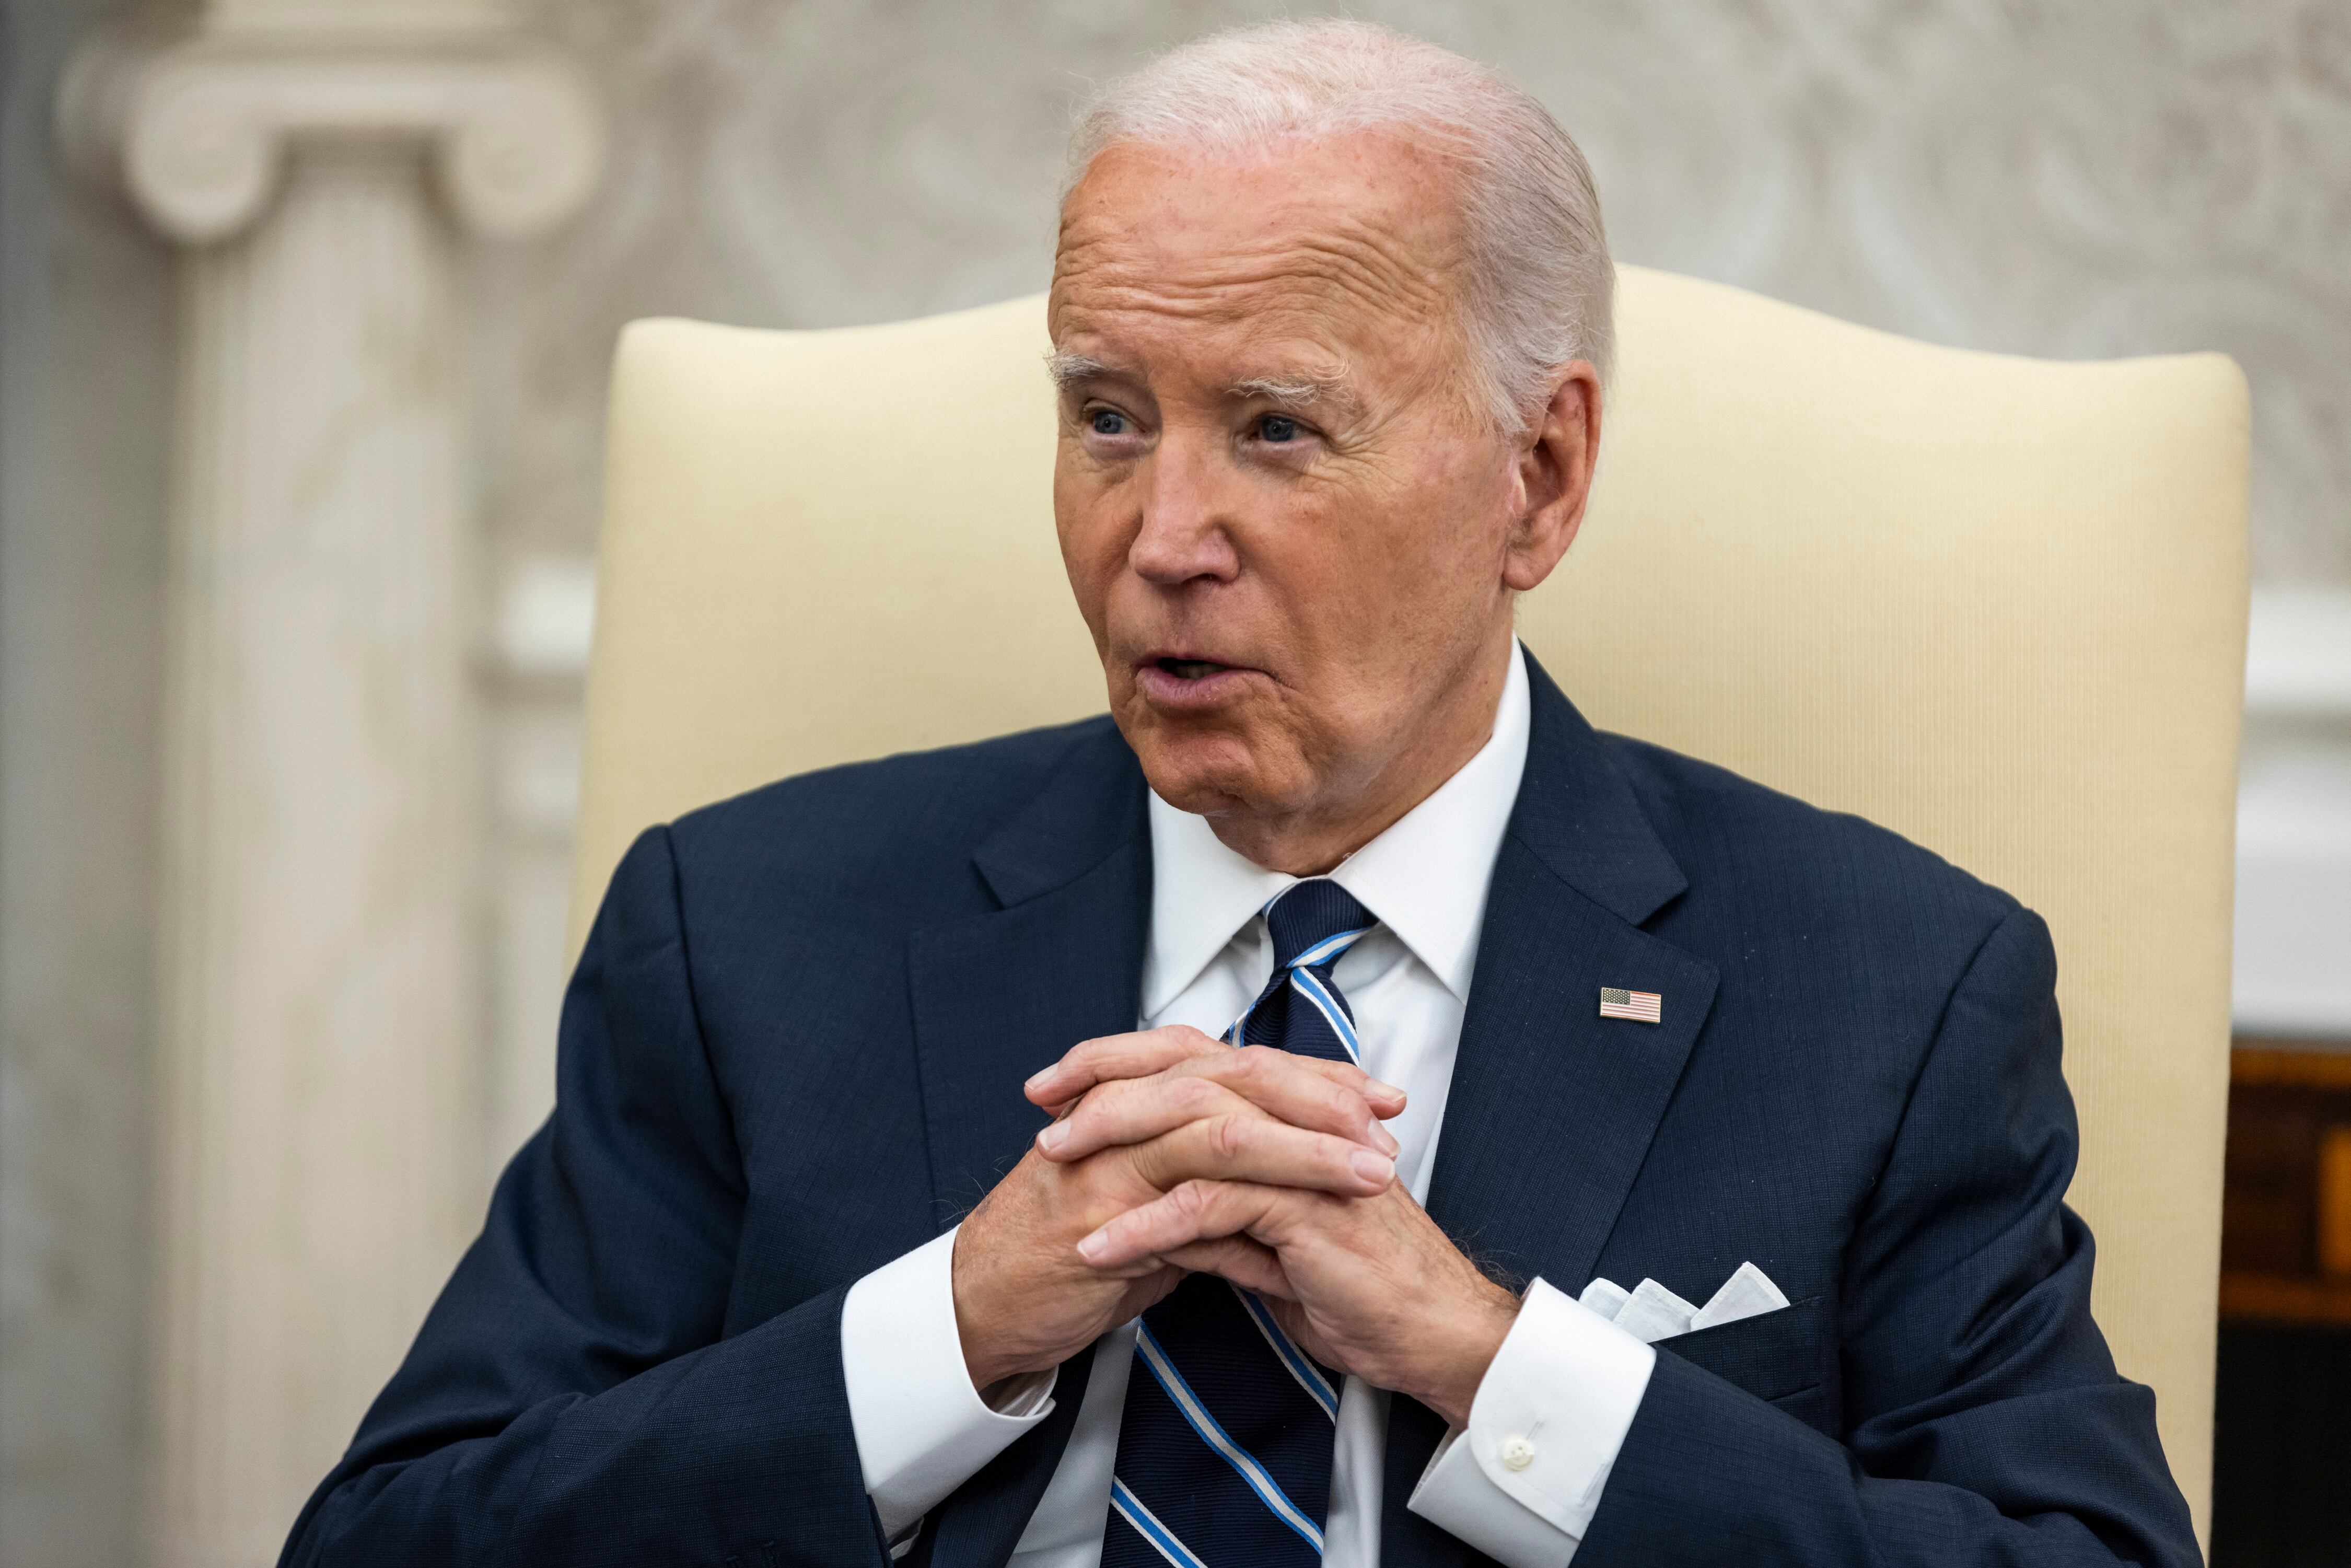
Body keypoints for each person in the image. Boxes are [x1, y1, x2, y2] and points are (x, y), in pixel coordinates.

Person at [282, 20, 2199, 1568]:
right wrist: (949, 1328)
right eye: (1106, 417)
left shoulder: (1882, 988)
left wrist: (1494, 1362)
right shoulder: (748, 927)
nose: (1161, 537)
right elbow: (390, 1537)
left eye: (1277, 428)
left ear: (1536, 476)